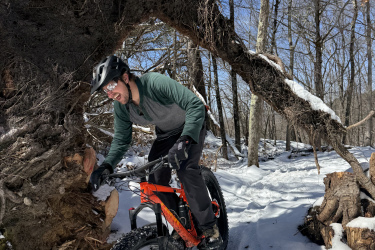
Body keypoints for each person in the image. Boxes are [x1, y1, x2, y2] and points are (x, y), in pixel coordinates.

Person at [89, 55, 222, 248]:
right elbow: (121, 139)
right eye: (105, 91)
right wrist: (107, 166)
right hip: (166, 135)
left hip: (191, 125)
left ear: (125, 77)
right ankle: (182, 224)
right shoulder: (121, 106)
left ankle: (210, 228)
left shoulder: (155, 83)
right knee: (155, 182)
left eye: (110, 86)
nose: (110, 94)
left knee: (186, 170)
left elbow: (194, 105)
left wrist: (185, 140)